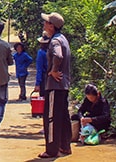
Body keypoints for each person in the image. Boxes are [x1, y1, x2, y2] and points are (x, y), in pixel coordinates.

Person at [39, 12, 72, 159]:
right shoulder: (63, 39)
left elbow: (58, 56)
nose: (45, 24)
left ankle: (52, 150)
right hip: (64, 85)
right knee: (63, 116)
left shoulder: (54, 41)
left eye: (46, 22)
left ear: (52, 26)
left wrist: (53, 71)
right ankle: (65, 146)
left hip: (55, 85)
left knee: (51, 118)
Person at [33, 31, 50, 97]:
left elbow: (39, 69)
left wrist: (37, 84)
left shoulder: (41, 52)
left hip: (44, 78)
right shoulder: (52, 51)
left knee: (43, 97)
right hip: (52, 78)